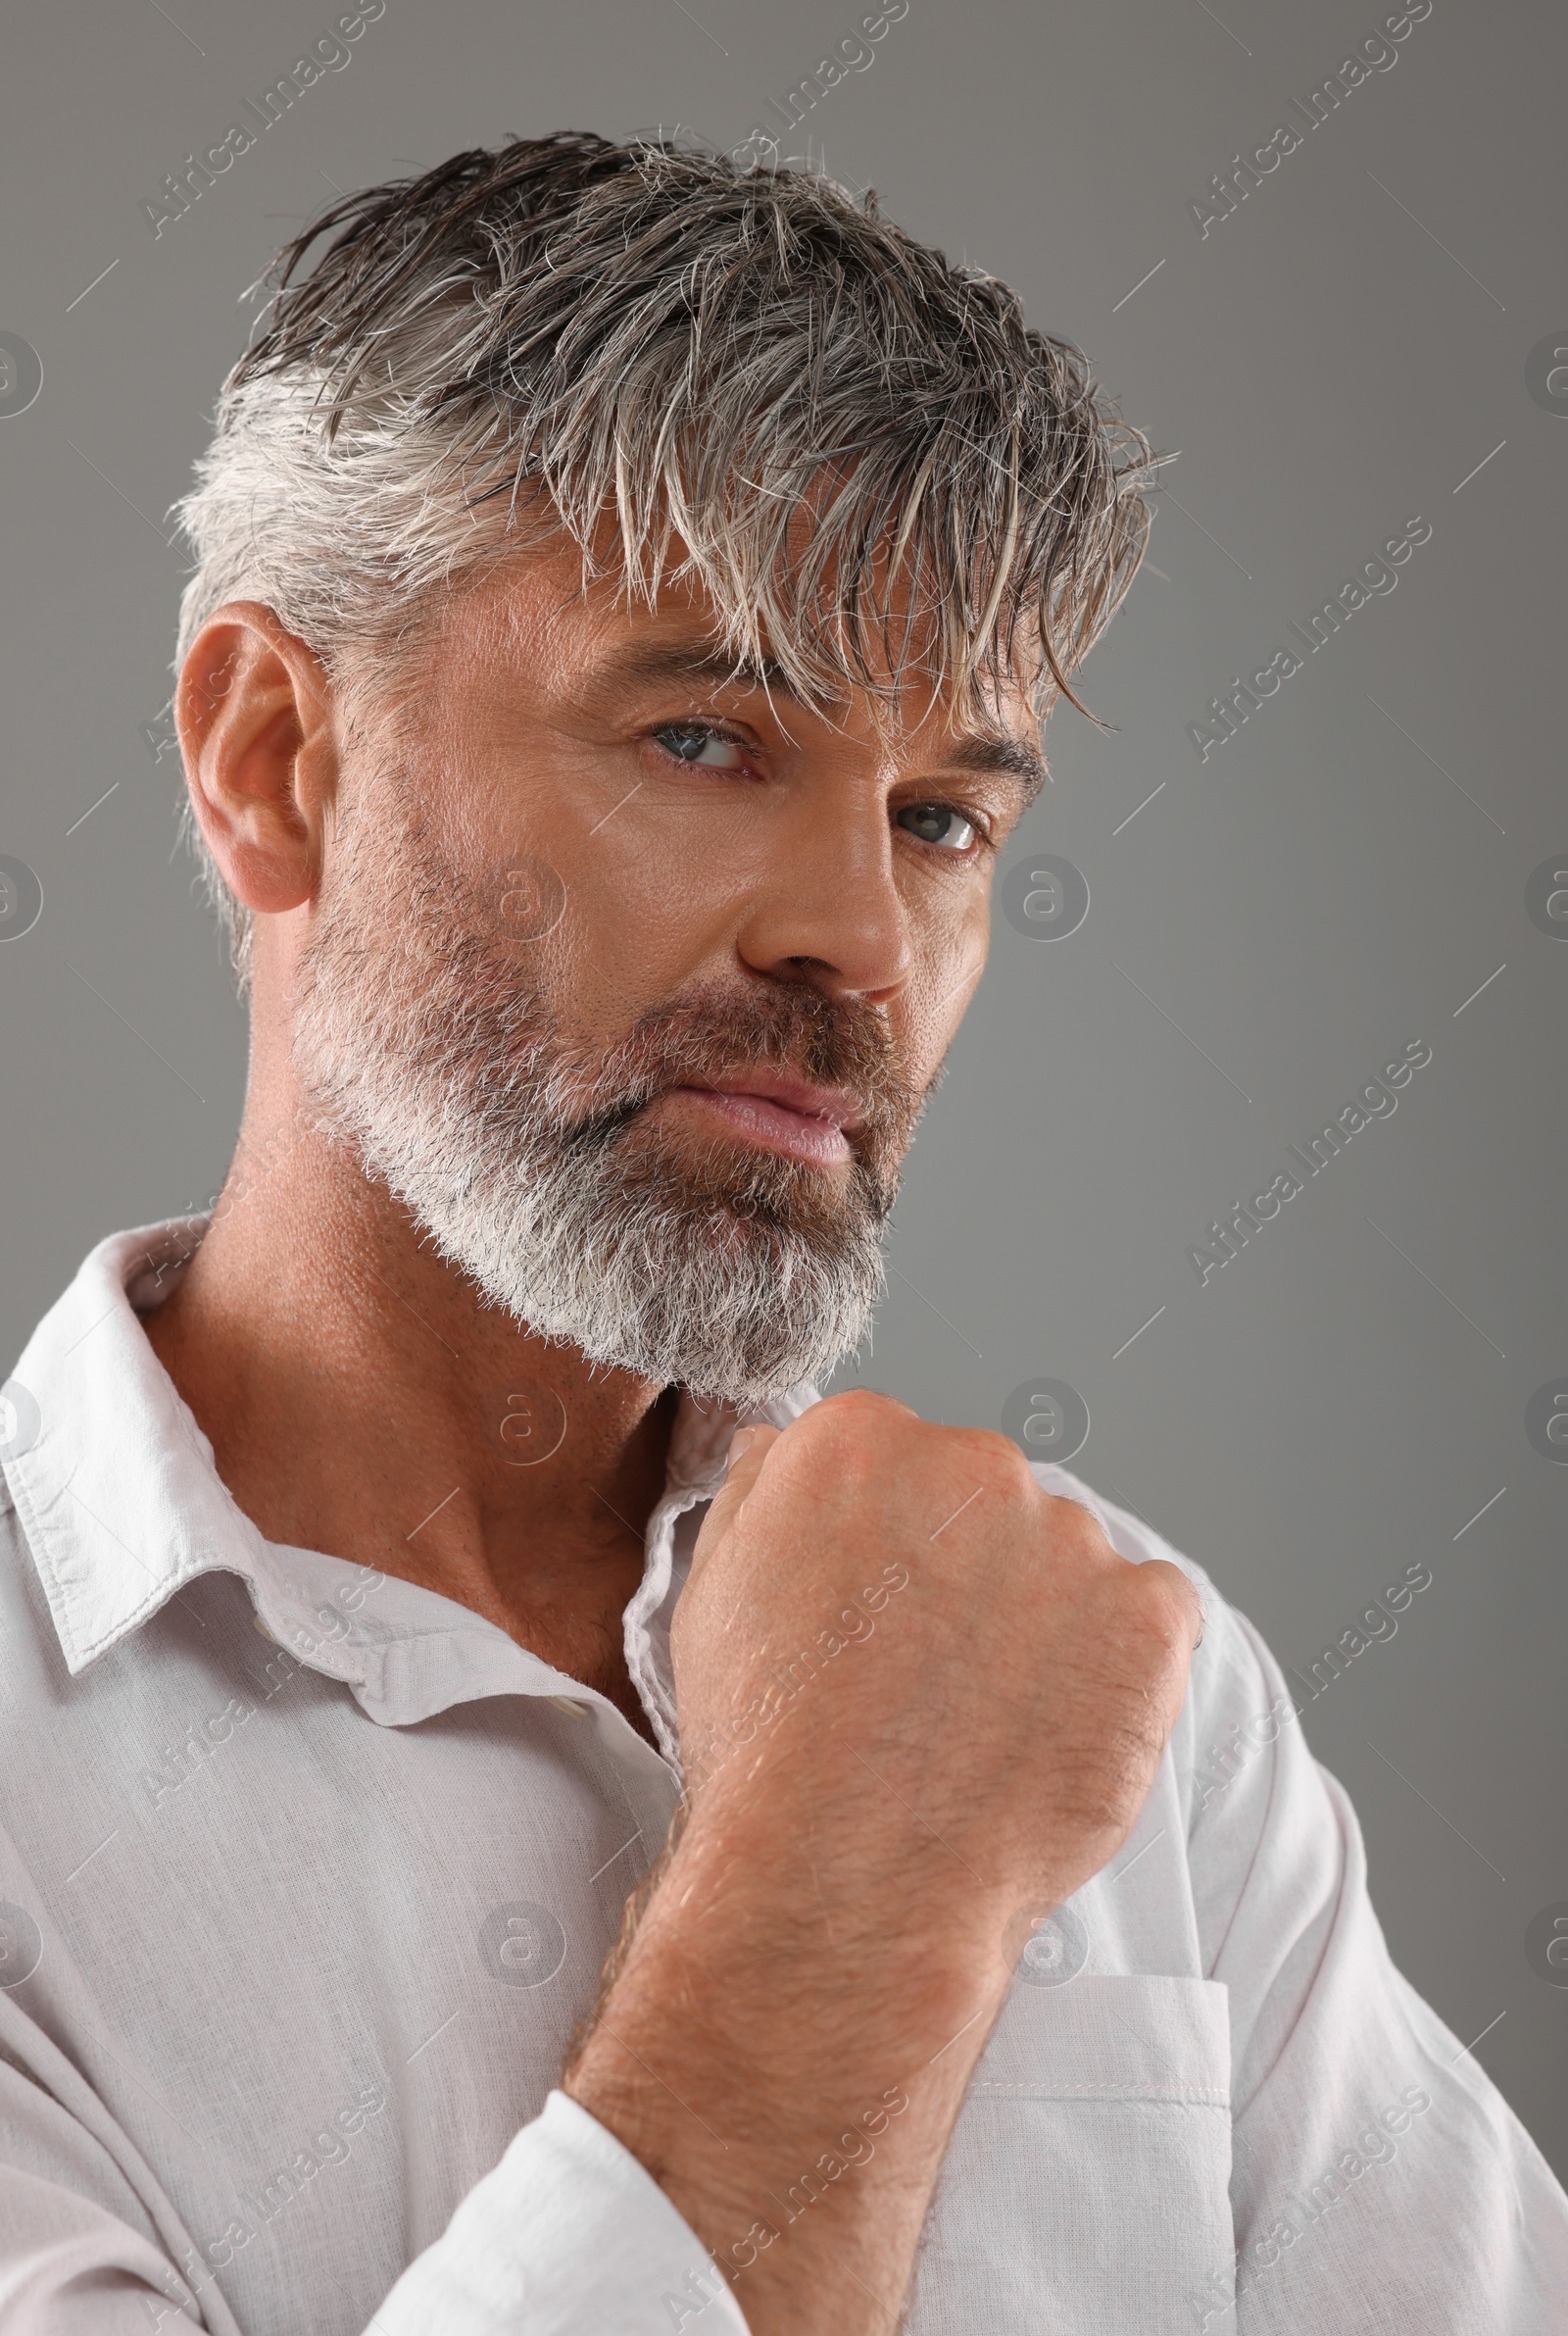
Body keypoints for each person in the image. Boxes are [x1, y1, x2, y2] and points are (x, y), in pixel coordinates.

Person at [0, 131, 1561, 2336]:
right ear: (274, 758)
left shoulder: (1129, 1677)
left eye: (940, 816)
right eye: (707, 736)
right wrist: (848, 1888)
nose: (860, 941)